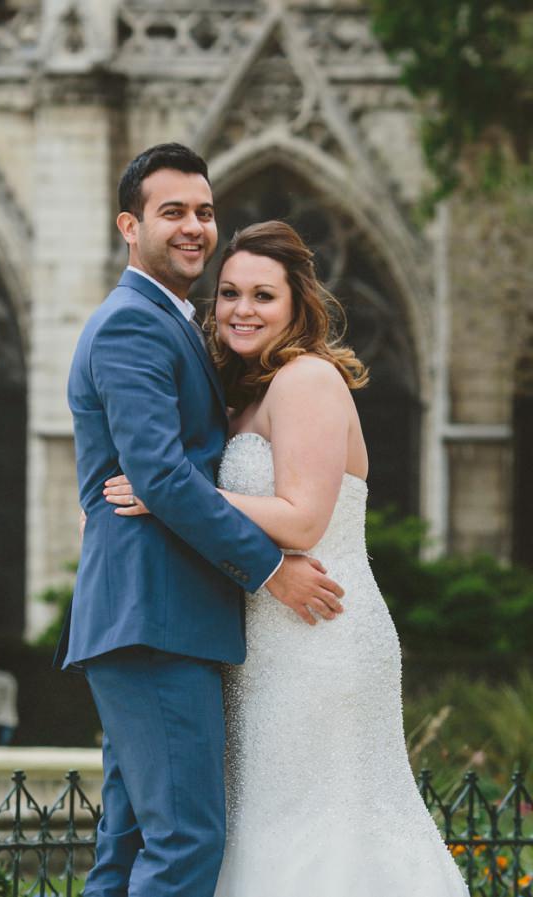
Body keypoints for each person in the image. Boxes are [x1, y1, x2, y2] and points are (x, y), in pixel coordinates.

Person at [102, 221, 467, 895]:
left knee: (319, 833)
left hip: (318, 635)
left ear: (298, 304)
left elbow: (304, 518)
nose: (242, 309)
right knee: (264, 826)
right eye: (230, 292)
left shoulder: (305, 379)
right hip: (263, 643)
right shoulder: (246, 396)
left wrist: (172, 491)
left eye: (263, 296)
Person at [54, 143, 346, 897]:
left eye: (205, 212)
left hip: (157, 616)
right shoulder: (132, 325)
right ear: (130, 224)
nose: (194, 227)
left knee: (127, 850)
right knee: (185, 842)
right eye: (172, 211)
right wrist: (272, 569)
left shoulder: (174, 321)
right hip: (155, 615)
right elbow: (157, 475)